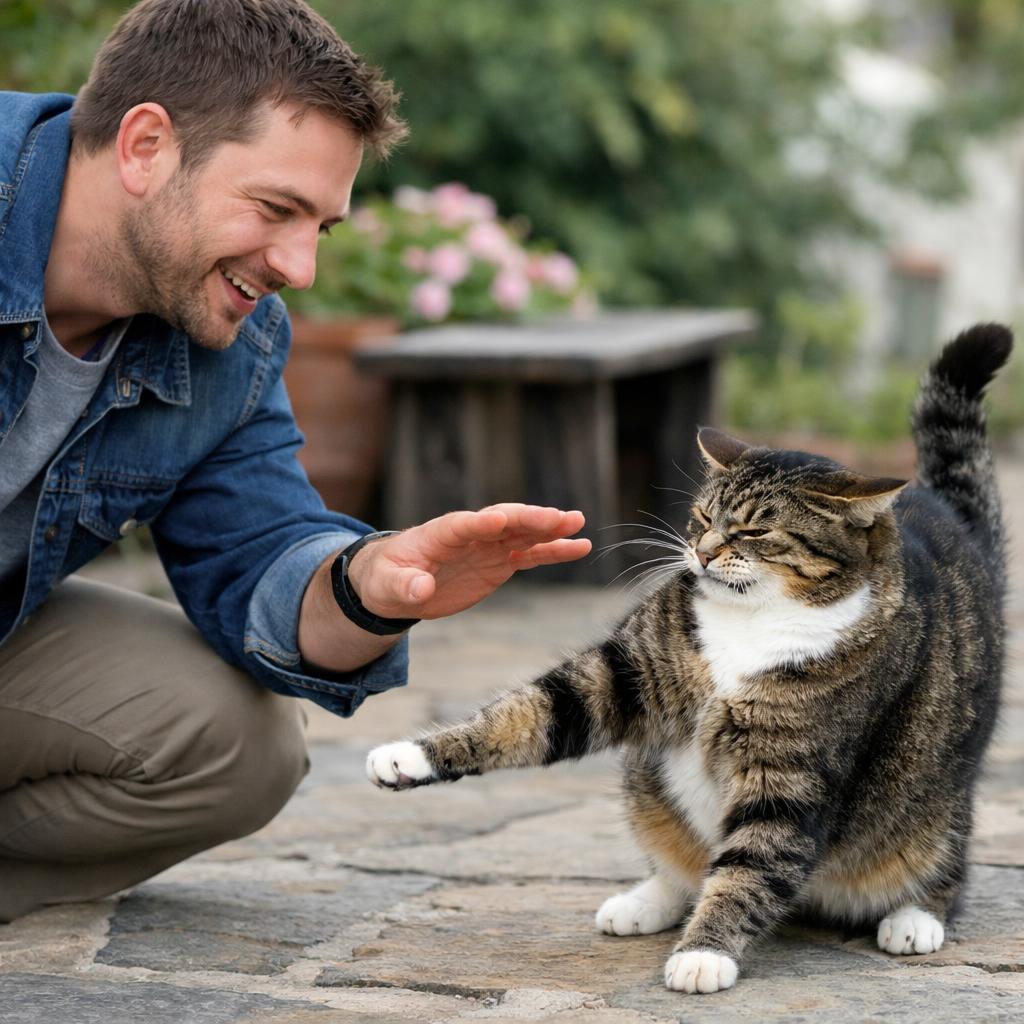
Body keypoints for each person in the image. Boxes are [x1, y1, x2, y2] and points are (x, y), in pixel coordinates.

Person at [0, 0, 591, 923]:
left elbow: (260, 556)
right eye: (277, 209)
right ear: (146, 146)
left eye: (322, 226)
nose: (300, 267)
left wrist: (373, 584)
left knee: (239, 742)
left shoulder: (231, 347)